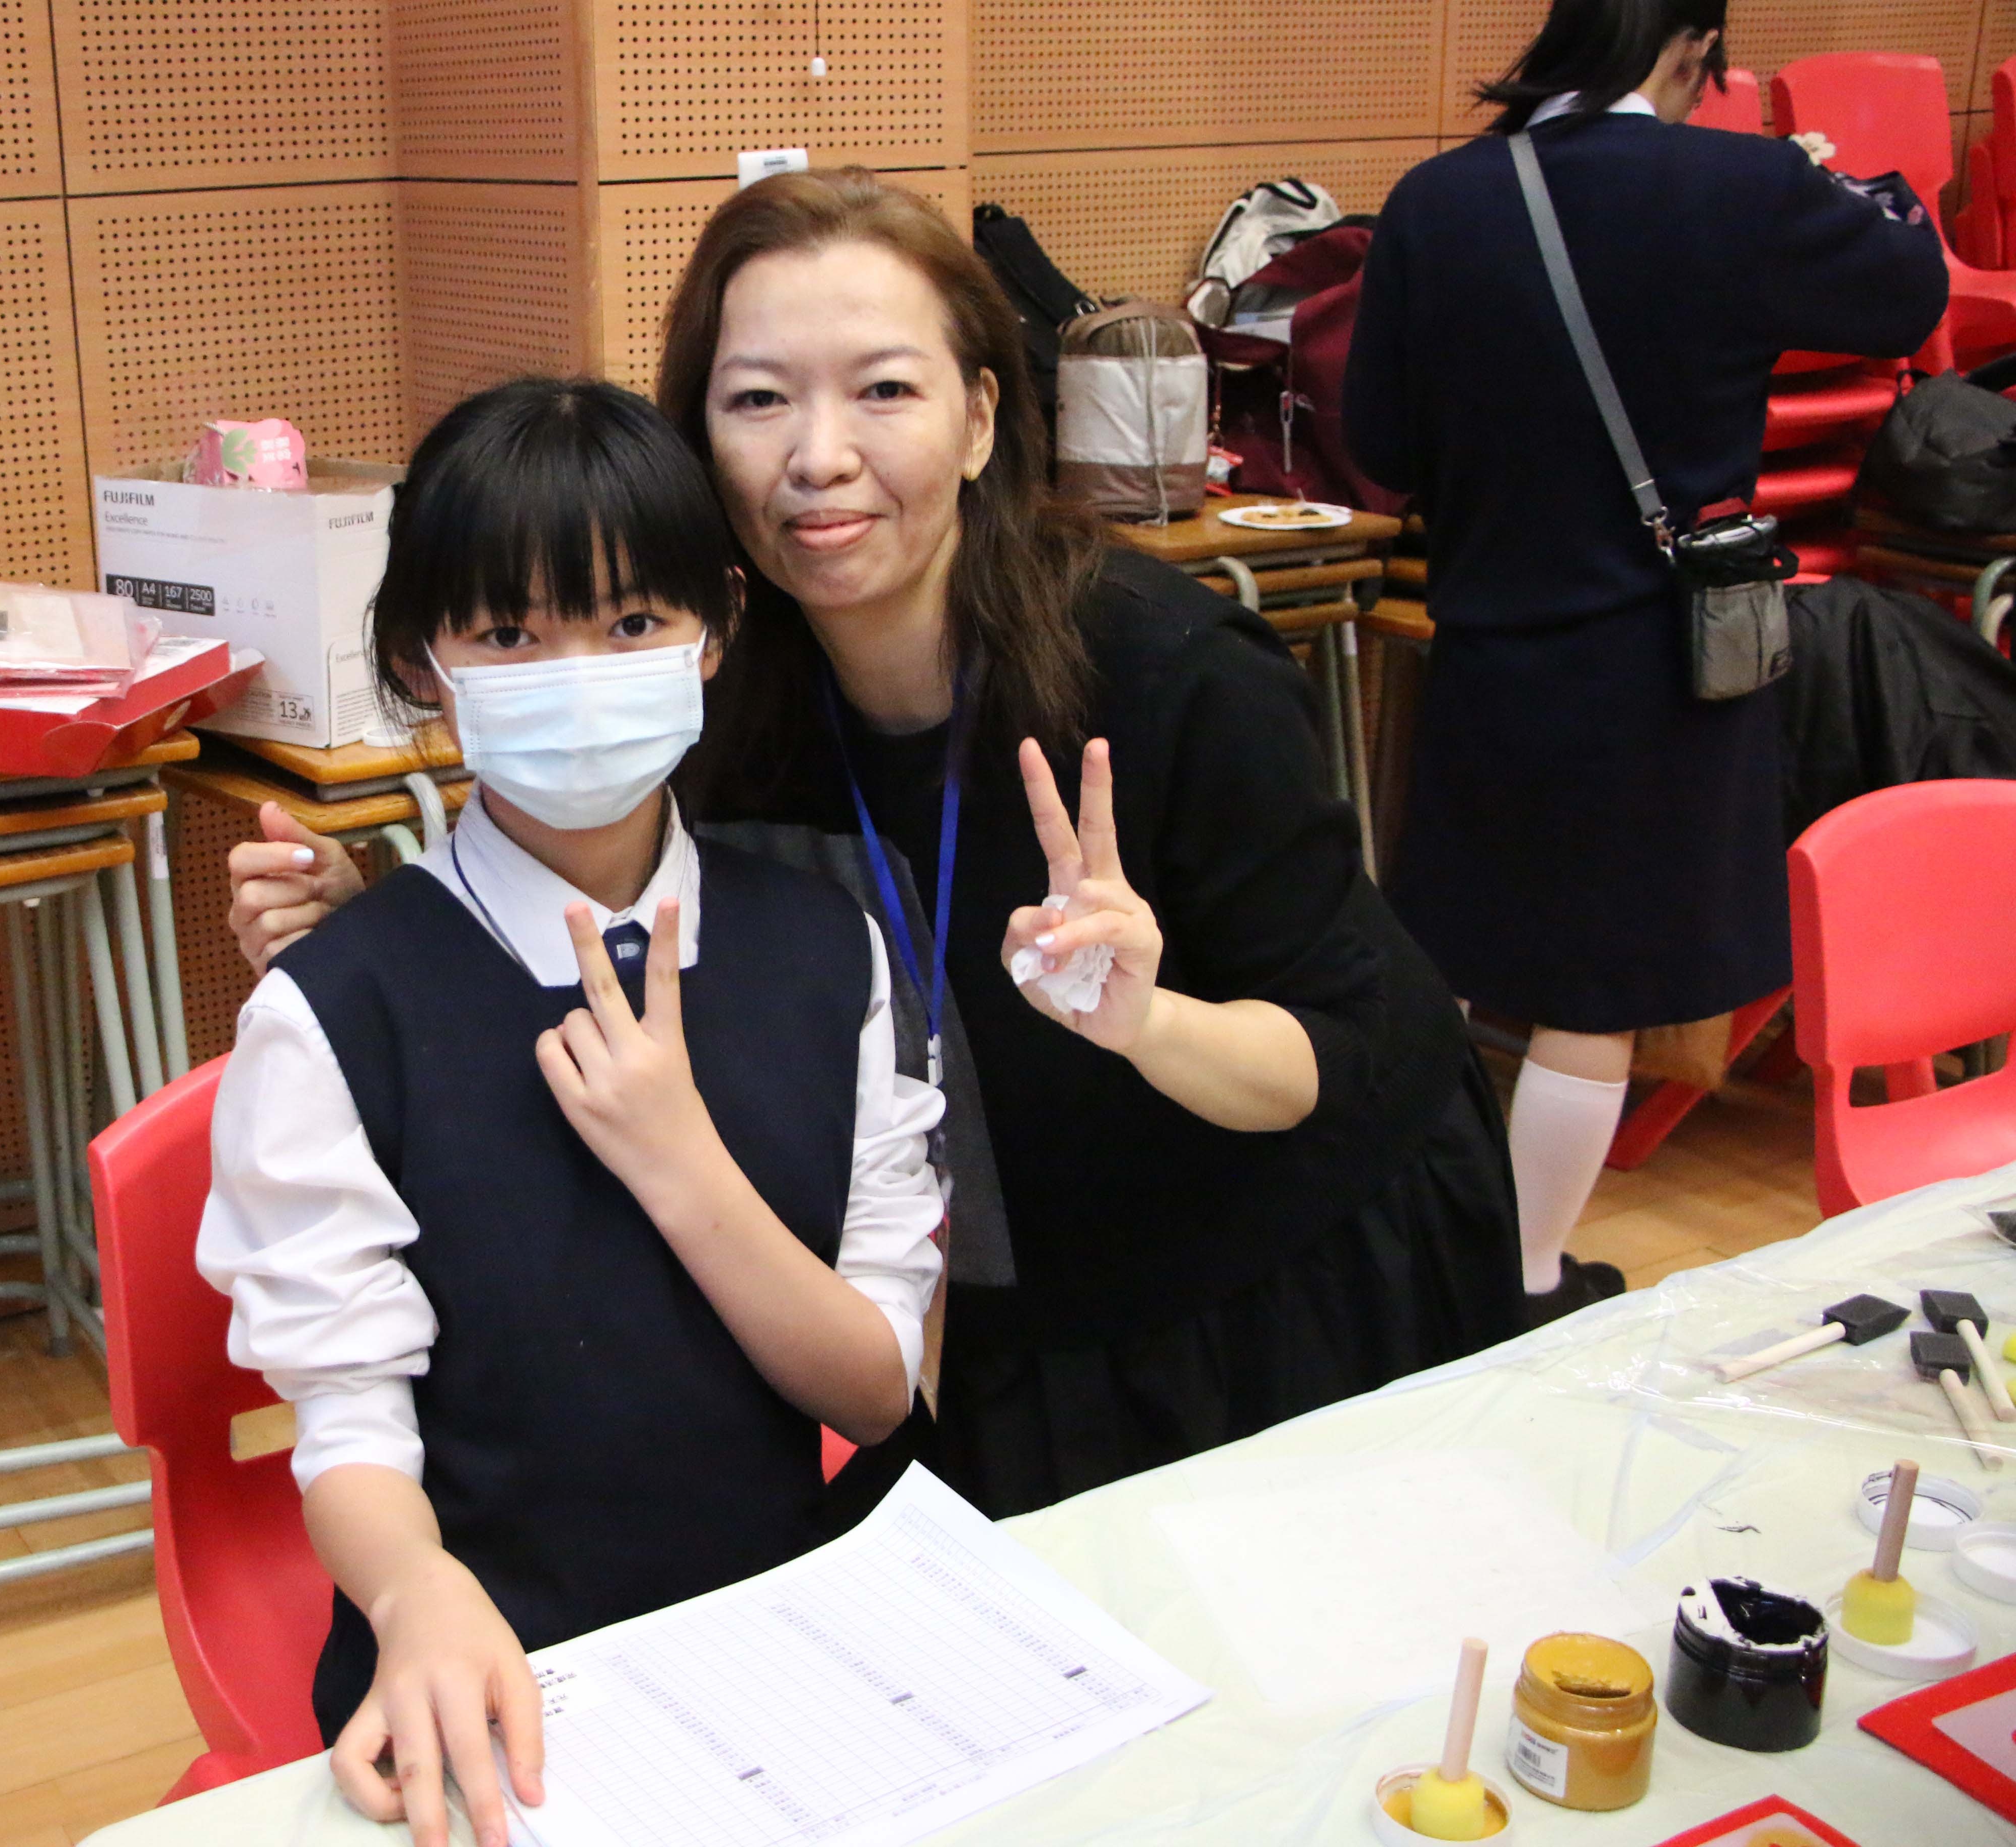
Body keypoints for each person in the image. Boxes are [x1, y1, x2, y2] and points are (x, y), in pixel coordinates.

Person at [233, 168, 1526, 1524]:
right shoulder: (714, 690)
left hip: (1269, 1282)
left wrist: (1149, 1024)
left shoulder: (1168, 679)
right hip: (984, 1320)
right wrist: (377, 928)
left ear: (980, 420)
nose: (820, 455)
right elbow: (606, 926)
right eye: (759, 399)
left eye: (885, 390)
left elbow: (1340, 1055)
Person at [196, 377, 946, 1847]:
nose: (580, 675)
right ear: (421, 660)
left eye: (633, 623)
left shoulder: (825, 949)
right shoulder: (332, 1013)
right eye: (509, 636)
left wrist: (684, 1167)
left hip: (778, 1663)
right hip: (489, 1681)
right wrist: (413, 1592)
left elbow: (874, 1394)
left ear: (719, 627)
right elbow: (349, 1421)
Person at [1345, 0, 1949, 1316]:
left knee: (1453, 965)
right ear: (1688, 51)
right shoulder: (1742, 183)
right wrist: (1846, 177)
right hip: (1662, 662)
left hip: (1485, 647)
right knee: (1595, 1001)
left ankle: (1421, 1264)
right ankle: (1525, 1278)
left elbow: (1380, 441)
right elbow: (1912, 288)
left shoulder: (1438, 201)